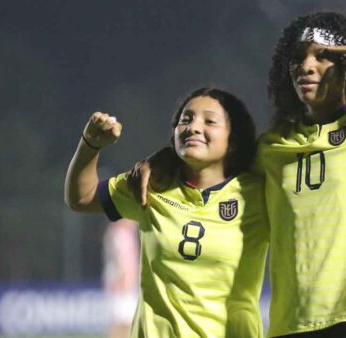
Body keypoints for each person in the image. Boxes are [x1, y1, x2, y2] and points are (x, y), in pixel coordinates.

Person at [131, 12, 346, 337]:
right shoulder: (270, 147)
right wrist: (164, 157)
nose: (307, 66)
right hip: (290, 323)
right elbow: (212, 167)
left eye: (322, 56)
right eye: (298, 58)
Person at [65, 88, 270, 337]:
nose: (193, 127)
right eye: (186, 119)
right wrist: (90, 144)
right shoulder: (151, 185)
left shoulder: (259, 193)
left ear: (234, 138)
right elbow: (81, 198)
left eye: (209, 121)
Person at [102, 218, 139, 338]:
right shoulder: (120, 234)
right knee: (122, 322)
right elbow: (119, 259)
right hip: (121, 284)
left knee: (127, 323)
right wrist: (121, 279)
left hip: (128, 284)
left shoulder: (125, 234)